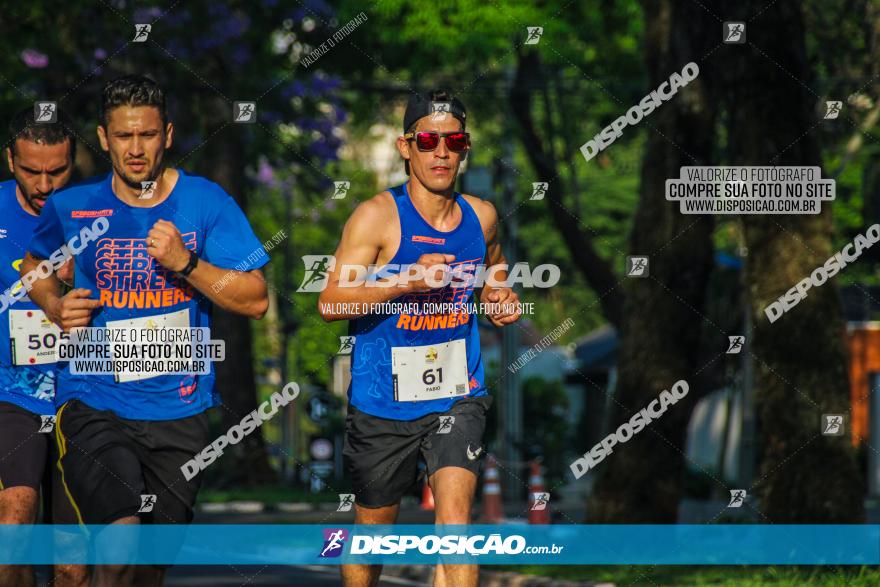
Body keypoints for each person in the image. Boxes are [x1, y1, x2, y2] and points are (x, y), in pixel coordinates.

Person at [21, 75, 270, 586]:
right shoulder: (73, 209)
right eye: (125, 136)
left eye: (148, 135)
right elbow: (33, 263)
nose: (136, 150)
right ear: (104, 138)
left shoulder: (206, 203)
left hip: (181, 410)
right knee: (120, 539)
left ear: (168, 135)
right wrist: (54, 303)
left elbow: (256, 298)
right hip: (94, 398)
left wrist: (187, 263)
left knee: (147, 569)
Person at [319, 90, 521, 587]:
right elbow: (330, 303)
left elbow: (494, 272)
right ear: (406, 146)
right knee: (372, 540)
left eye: (453, 141)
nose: (441, 153)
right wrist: (405, 281)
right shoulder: (376, 217)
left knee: (455, 527)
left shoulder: (482, 216)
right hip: (382, 403)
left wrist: (500, 297)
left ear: (465, 147)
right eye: (428, 140)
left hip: (457, 393)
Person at [0, 107, 86, 587]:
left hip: (81, 394)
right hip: (10, 391)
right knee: (14, 516)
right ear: (10, 160)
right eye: (32, 171)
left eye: (58, 171)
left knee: (73, 561)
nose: (46, 184)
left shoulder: (100, 212)